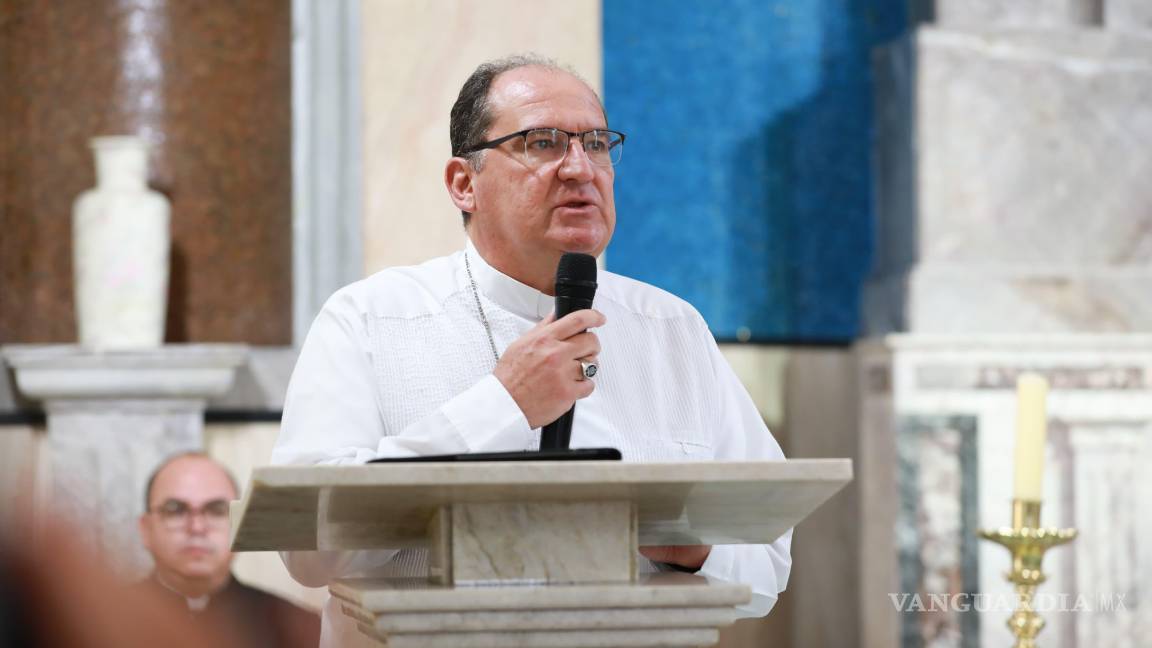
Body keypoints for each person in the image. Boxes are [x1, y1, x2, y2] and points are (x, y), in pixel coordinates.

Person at [272, 53, 792, 646]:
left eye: (596, 143)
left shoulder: (671, 326)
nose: (579, 168)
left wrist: (687, 544)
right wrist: (501, 404)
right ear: (463, 183)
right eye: (542, 143)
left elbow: (769, 564)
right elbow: (309, 552)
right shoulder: (370, 318)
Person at [136, 452, 320, 648]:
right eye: (175, 510)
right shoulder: (104, 625)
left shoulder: (297, 629)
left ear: (240, 525)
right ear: (145, 529)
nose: (197, 527)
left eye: (216, 510)